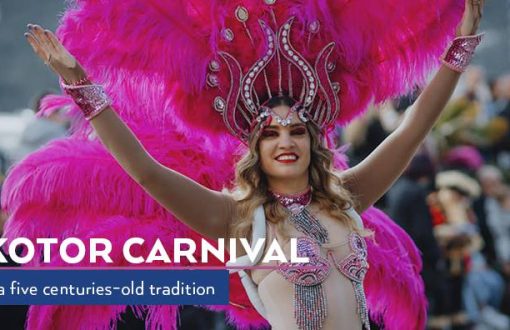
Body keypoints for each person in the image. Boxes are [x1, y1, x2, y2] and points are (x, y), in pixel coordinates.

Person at [14, 0, 483, 329]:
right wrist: (82, 87)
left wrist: (456, 52)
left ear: (314, 141)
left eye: (297, 131)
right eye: (271, 134)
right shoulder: (238, 219)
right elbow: (147, 172)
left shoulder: (346, 198)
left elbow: (412, 129)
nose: (286, 141)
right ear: (254, 149)